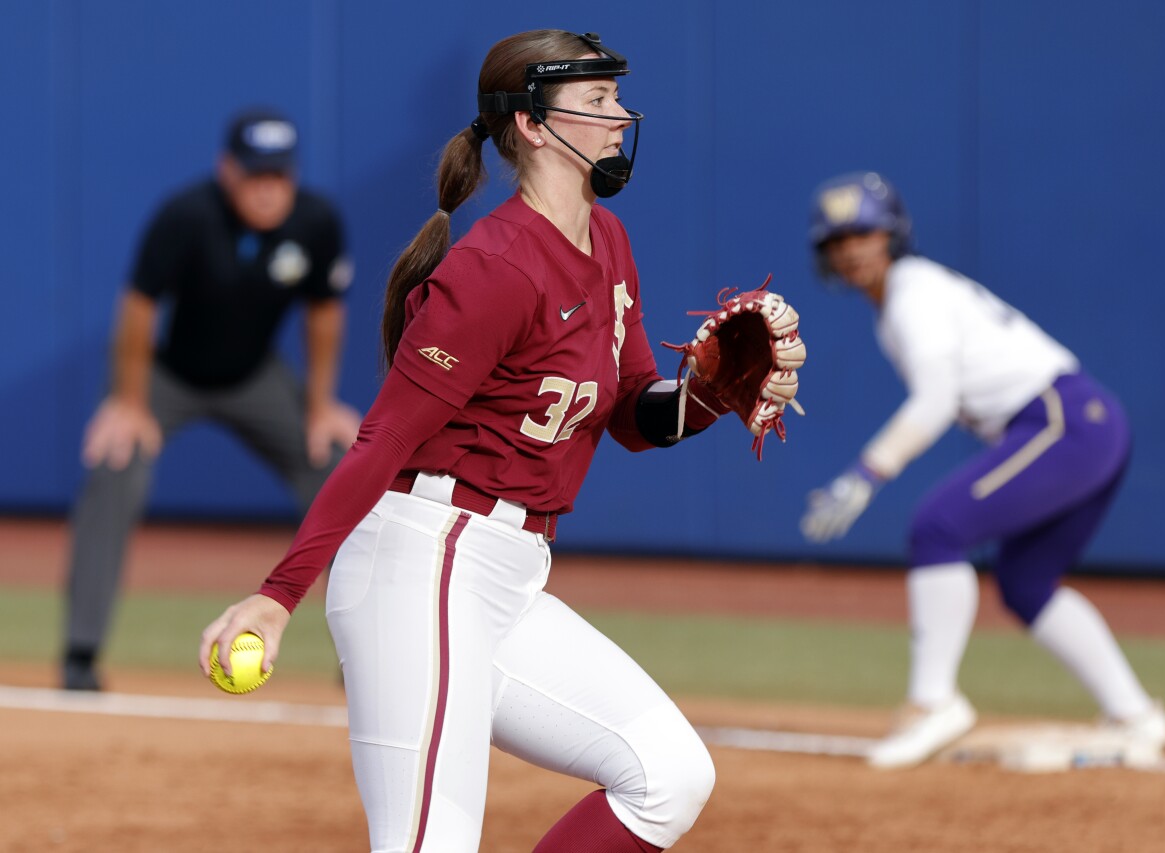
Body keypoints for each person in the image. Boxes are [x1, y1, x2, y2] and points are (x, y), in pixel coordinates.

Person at [197, 30, 767, 852]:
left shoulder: (608, 243)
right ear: (534, 125)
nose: (621, 117)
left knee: (669, 772)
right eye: (598, 101)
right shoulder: (495, 267)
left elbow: (638, 416)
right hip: (423, 565)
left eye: (616, 98)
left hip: (508, 579)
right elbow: (383, 441)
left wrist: (713, 395)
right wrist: (279, 594)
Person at [799, 171, 1165, 769]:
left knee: (938, 527)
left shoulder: (912, 293)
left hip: (1061, 419)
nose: (851, 250)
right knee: (1026, 582)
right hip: (1082, 422)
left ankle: (932, 701)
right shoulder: (901, 301)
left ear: (891, 234)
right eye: (837, 241)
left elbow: (936, 401)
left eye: (863, 233)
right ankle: (1134, 715)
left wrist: (868, 473)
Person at [62, 107, 361, 691]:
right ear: (228, 171)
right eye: (255, 175)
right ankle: (80, 654)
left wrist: (320, 405)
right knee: (114, 462)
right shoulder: (186, 216)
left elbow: (324, 314)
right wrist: (128, 400)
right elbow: (138, 309)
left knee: (339, 473)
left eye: (278, 175)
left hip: (256, 378)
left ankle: (359, 659)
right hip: (168, 376)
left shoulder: (316, 222)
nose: (268, 189)